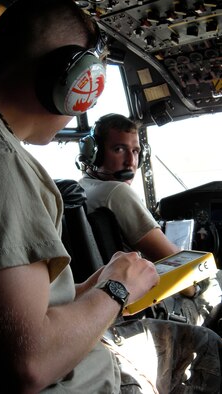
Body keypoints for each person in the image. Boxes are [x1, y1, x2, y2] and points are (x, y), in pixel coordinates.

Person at [0, 2, 221, 393]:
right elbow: (30, 362)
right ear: (72, 80)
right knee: (206, 347)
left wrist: (95, 286)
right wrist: (116, 289)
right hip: (81, 383)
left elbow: (12, 309)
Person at [78, 113, 222, 327]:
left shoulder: (83, 187)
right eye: (119, 149)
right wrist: (200, 289)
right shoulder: (116, 192)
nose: (131, 161)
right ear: (95, 154)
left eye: (135, 151)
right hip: (152, 309)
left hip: (113, 306)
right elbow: (176, 267)